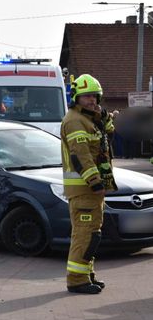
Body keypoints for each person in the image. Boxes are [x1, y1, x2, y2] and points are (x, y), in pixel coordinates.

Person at [61, 74, 117, 294]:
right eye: (86, 97)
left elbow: (105, 142)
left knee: (92, 233)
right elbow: (80, 156)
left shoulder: (89, 119)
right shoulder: (75, 120)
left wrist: (104, 119)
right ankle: (76, 280)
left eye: (94, 96)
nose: (91, 100)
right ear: (76, 98)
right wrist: (95, 182)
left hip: (91, 190)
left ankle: (86, 275)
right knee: (85, 234)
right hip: (85, 189)